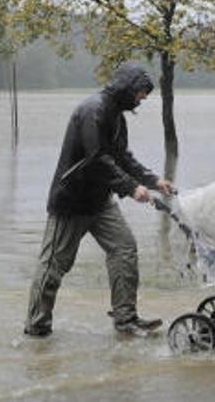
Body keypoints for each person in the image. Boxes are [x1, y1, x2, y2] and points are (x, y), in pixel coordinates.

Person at [24, 62, 176, 337]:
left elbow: (122, 157)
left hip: (100, 201)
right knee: (54, 266)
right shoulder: (92, 110)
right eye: (141, 92)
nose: (143, 98)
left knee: (125, 248)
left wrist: (154, 180)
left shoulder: (117, 116)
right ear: (128, 87)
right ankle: (37, 328)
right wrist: (132, 188)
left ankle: (126, 319)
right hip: (71, 202)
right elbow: (97, 159)